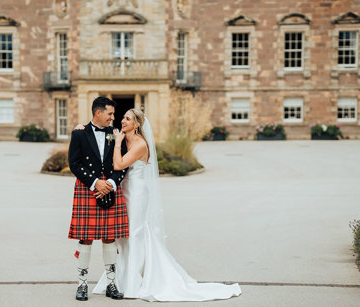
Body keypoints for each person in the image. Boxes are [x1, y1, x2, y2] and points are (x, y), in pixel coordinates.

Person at [75, 108, 242, 301]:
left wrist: (118, 142)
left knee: (135, 233)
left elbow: (119, 165)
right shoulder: (119, 136)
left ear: (137, 124)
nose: (122, 121)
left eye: (127, 119)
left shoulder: (139, 144)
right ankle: (118, 278)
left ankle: (132, 281)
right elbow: (97, 134)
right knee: (122, 235)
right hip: (123, 191)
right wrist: (80, 128)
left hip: (137, 192)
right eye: (123, 118)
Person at [67, 96, 130, 301]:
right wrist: (96, 183)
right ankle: (82, 285)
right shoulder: (79, 134)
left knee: (109, 236)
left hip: (110, 186)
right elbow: (74, 164)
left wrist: (110, 183)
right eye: (110, 114)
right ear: (98, 113)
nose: (113, 118)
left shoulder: (116, 134)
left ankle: (111, 284)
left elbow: (123, 163)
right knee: (85, 238)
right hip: (89, 187)